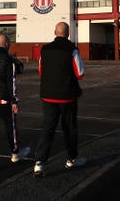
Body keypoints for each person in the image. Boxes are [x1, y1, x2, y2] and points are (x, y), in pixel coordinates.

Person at [33, 22, 85, 178]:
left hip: (48, 96)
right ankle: (72, 159)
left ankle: (39, 163)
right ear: (68, 34)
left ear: (55, 32)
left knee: (48, 128)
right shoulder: (72, 50)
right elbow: (80, 73)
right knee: (69, 128)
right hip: (67, 96)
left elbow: (41, 71)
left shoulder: (45, 49)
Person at [0, 34, 30, 174]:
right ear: (7, 44)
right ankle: (15, 153)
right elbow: (11, 81)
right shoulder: (8, 60)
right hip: (4, 100)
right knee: (11, 127)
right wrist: (14, 100)